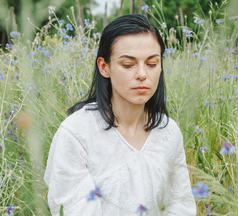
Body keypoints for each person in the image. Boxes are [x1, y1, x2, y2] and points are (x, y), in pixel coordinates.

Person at [44, 14, 197, 216]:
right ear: (104, 67)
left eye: (152, 63)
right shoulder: (76, 134)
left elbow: (180, 205)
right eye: (128, 64)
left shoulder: (168, 131)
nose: (142, 74)